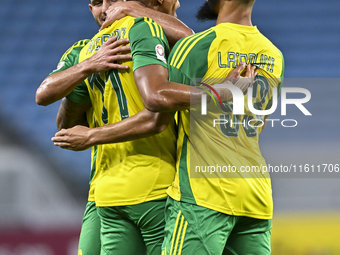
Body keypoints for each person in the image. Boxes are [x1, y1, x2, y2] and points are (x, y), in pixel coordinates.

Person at [54, 0, 284, 254]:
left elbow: (158, 105)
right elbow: (259, 121)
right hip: (255, 191)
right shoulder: (272, 53)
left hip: (202, 192)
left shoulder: (196, 46)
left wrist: (91, 135)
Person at [36, 1, 194, 254]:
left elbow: (157, 116)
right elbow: (54, 110)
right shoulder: (85, 52)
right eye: (98, 2)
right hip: (106, 190)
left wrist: (91, 135)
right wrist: (87, 67)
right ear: (90, 9)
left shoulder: (143, 30)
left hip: (154, 185)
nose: (106, 8)